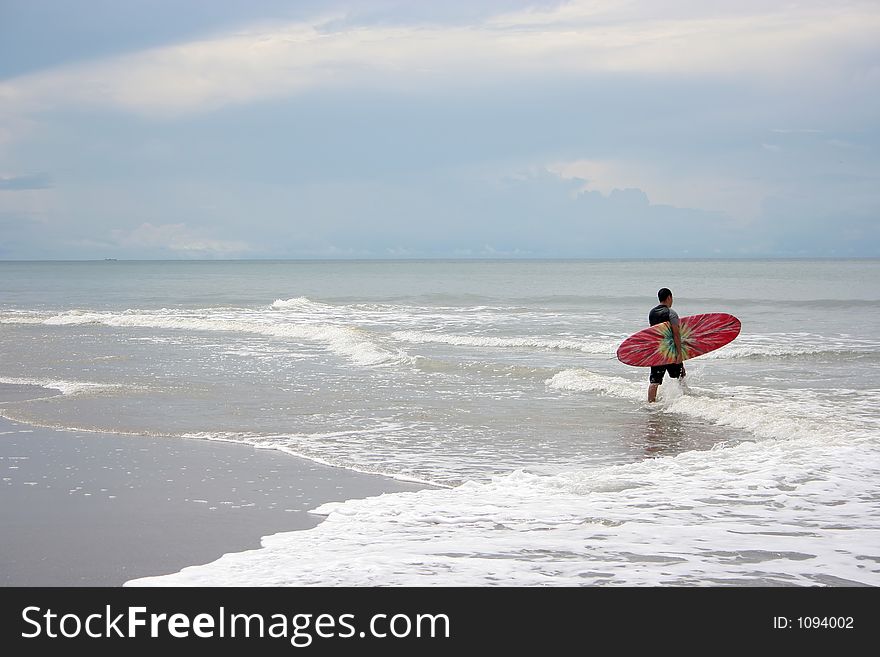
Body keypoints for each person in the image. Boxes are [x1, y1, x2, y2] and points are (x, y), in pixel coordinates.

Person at [648, 287, 685, 402]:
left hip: (657, 352)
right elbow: (676, 334)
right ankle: (683, 400)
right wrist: (679, 353)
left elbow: (653, 332)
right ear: (669, 297)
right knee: (680, 375)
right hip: (670, 352)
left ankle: (650, 404)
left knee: (654, 381)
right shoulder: (671, 313)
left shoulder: (652, 313)